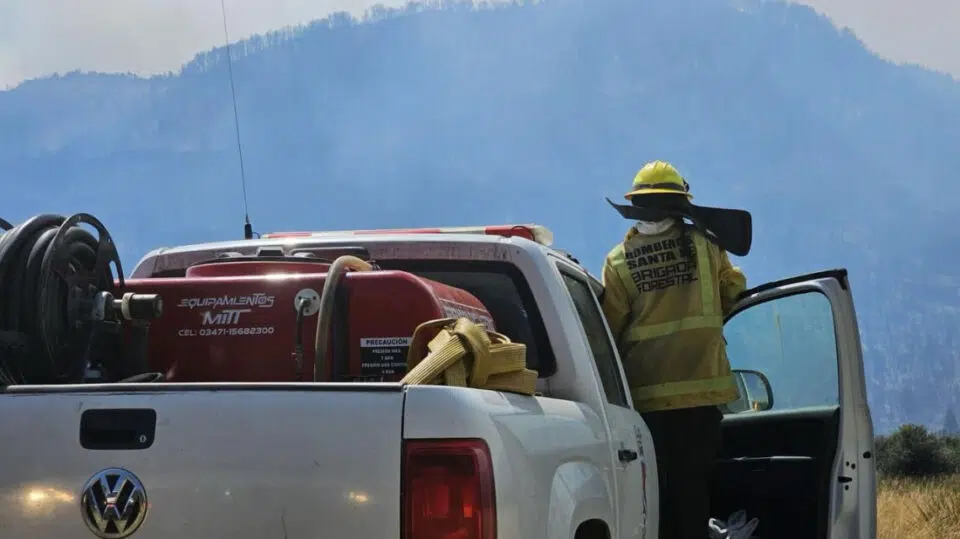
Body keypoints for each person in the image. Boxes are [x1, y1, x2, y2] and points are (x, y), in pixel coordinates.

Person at [600, 160, 747, 539]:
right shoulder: (707, 245)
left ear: (635, 204)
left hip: (645, 401)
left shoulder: (617, 260)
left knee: (651, 499)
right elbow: (734, 292)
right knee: (693, 495)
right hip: (701, 394)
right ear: (680, 203)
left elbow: (610, 330)